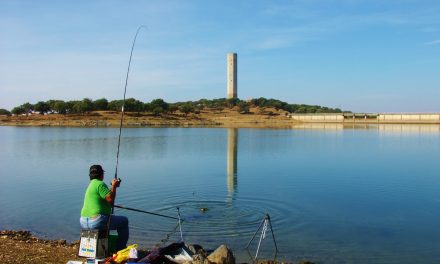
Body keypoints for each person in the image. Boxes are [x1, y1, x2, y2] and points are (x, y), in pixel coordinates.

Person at [80, 164, 129, 251]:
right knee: (124, 221)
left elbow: (106, 197)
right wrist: (113, 186)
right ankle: (120, 249)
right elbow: (110, 199)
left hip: (84, 222)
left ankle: (101, 249)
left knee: (109, 220)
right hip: (96, 221)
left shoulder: (91, 185)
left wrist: (114, 187)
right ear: (102, 174)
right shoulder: (100, 184)